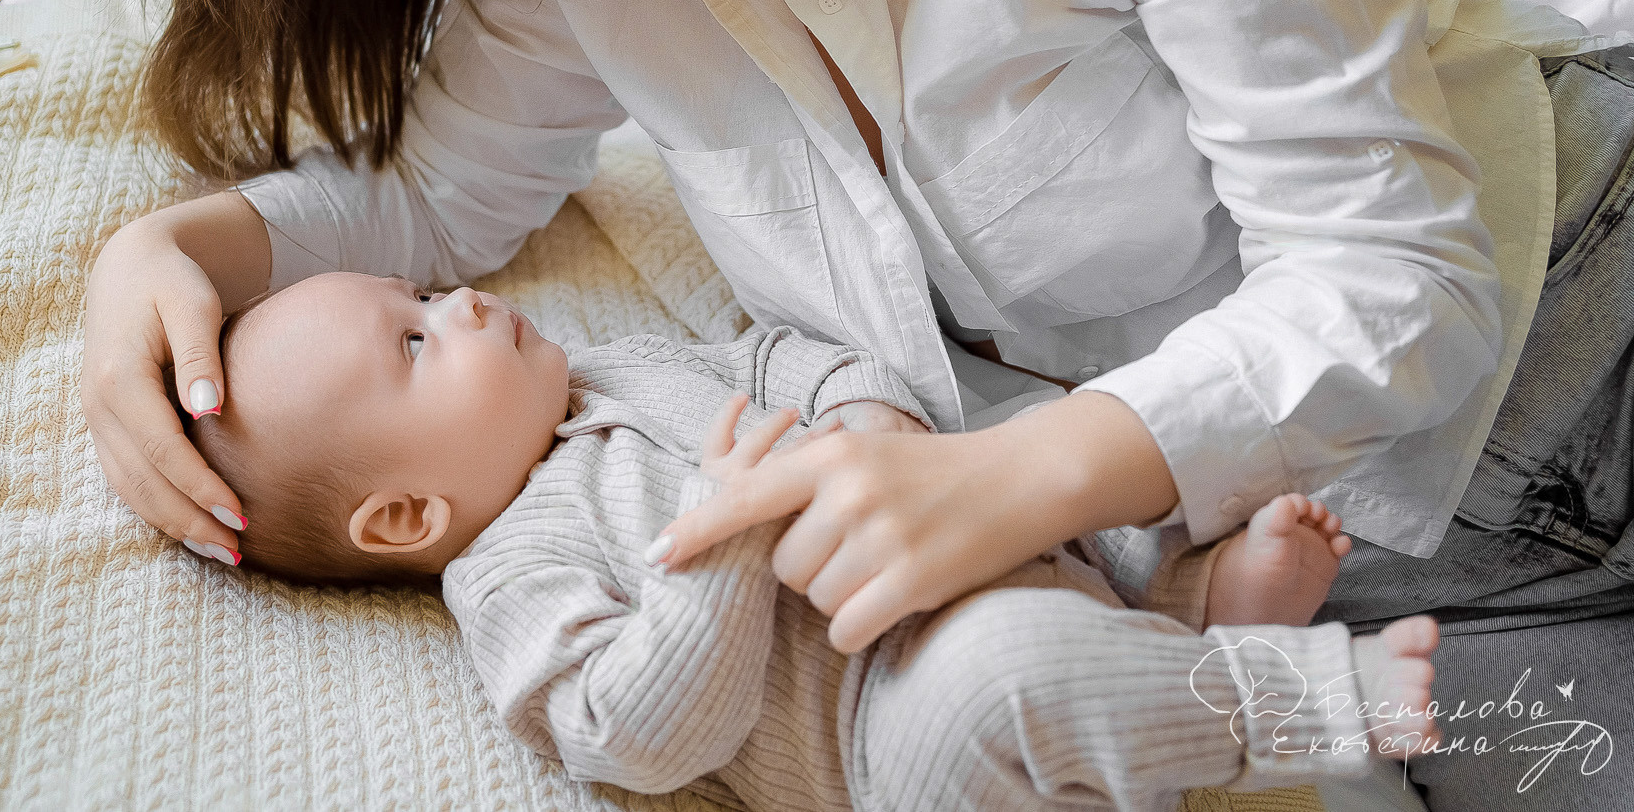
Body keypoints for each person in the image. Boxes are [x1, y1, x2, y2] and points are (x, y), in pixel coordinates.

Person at [75, 0, 1634, 801]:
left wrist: (1023, 477)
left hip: (1580, 325)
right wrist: (172, 251)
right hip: (1354, 579)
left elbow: (1396, 277)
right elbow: (430, 193)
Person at [187, 269, 1443, 810]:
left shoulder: (619, 368)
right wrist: (716, 544)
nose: (454, 301)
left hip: (990, 550)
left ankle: (1191, 603)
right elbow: (632, 737)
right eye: (414, 341)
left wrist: (859, 422)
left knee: (1058, 442)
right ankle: (1295, 696)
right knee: (993, 673)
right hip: (893, 737)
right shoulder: (511, 567)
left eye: (416, 290)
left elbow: (784, 353)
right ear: (405, 514)